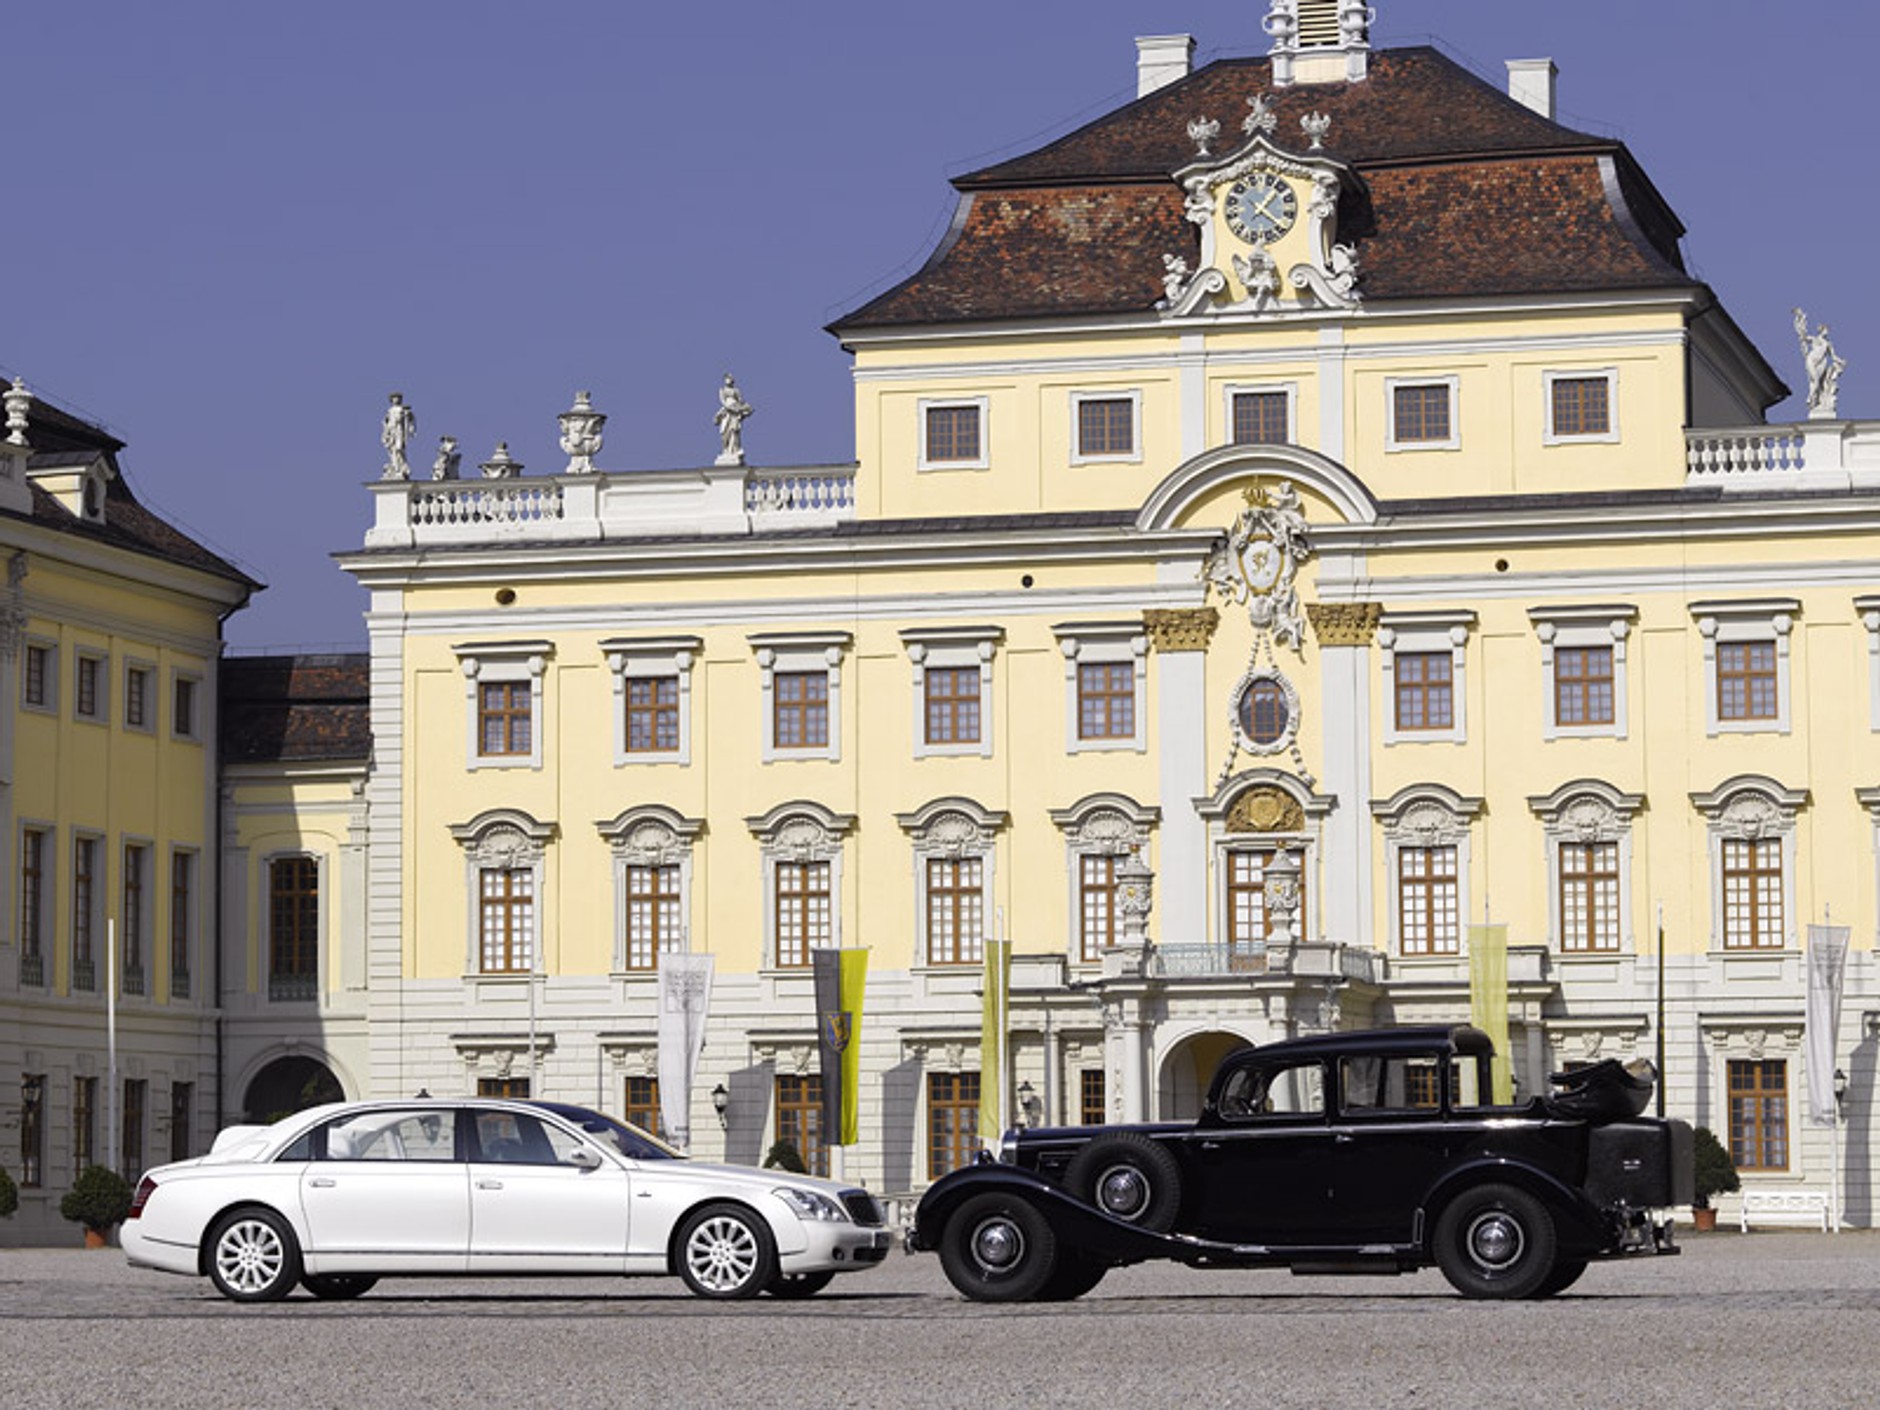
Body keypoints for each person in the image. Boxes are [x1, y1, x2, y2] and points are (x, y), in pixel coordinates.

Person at [714, 375, 752, 465]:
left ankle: (733, 450)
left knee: (734, 431)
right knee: (724, 432)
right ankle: (726, 450)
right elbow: (723, 401)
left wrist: (744, 408)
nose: (728, 380)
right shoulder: (722, 390)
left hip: (735, 412)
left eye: (730, 379)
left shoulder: (736, 391)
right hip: (727, 411)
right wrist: (728, 408)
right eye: (727, 379)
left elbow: (740, 401)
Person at [382, 392, 417, 479]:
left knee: (399, 448)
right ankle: (396, 467)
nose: (396, 399)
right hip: (392, 432)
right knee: (393, 450)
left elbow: (412, 419)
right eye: (394, 398)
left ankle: (401, 467)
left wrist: (411, 428)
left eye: (397, 398)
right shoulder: (390, 411)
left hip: (399, 431)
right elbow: (386, 422)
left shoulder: (403, 410)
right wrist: (386, 432)